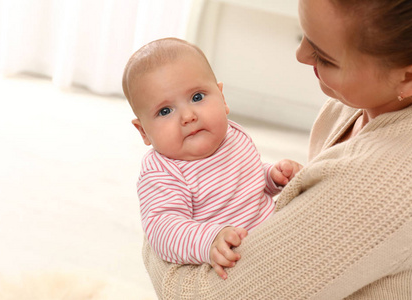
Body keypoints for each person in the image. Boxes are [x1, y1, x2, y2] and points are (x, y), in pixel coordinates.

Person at [141, 0, 412, 298]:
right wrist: (269, 178)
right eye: (304, 33)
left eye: (325, 57)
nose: (301, 55)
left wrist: (160, 229)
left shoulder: (385, 183)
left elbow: (201, 294)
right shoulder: (352, 104)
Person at [122, 38, 303, 280]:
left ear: (222, 98)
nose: (188, 116)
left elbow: (243, 183)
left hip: (277, 242)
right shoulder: (162, 172)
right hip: (232, 266)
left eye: (197, 97)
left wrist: (271, 177)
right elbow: (162, 229)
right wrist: (208, 242)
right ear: (144, 131)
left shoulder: (232, 136)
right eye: (165, 111)